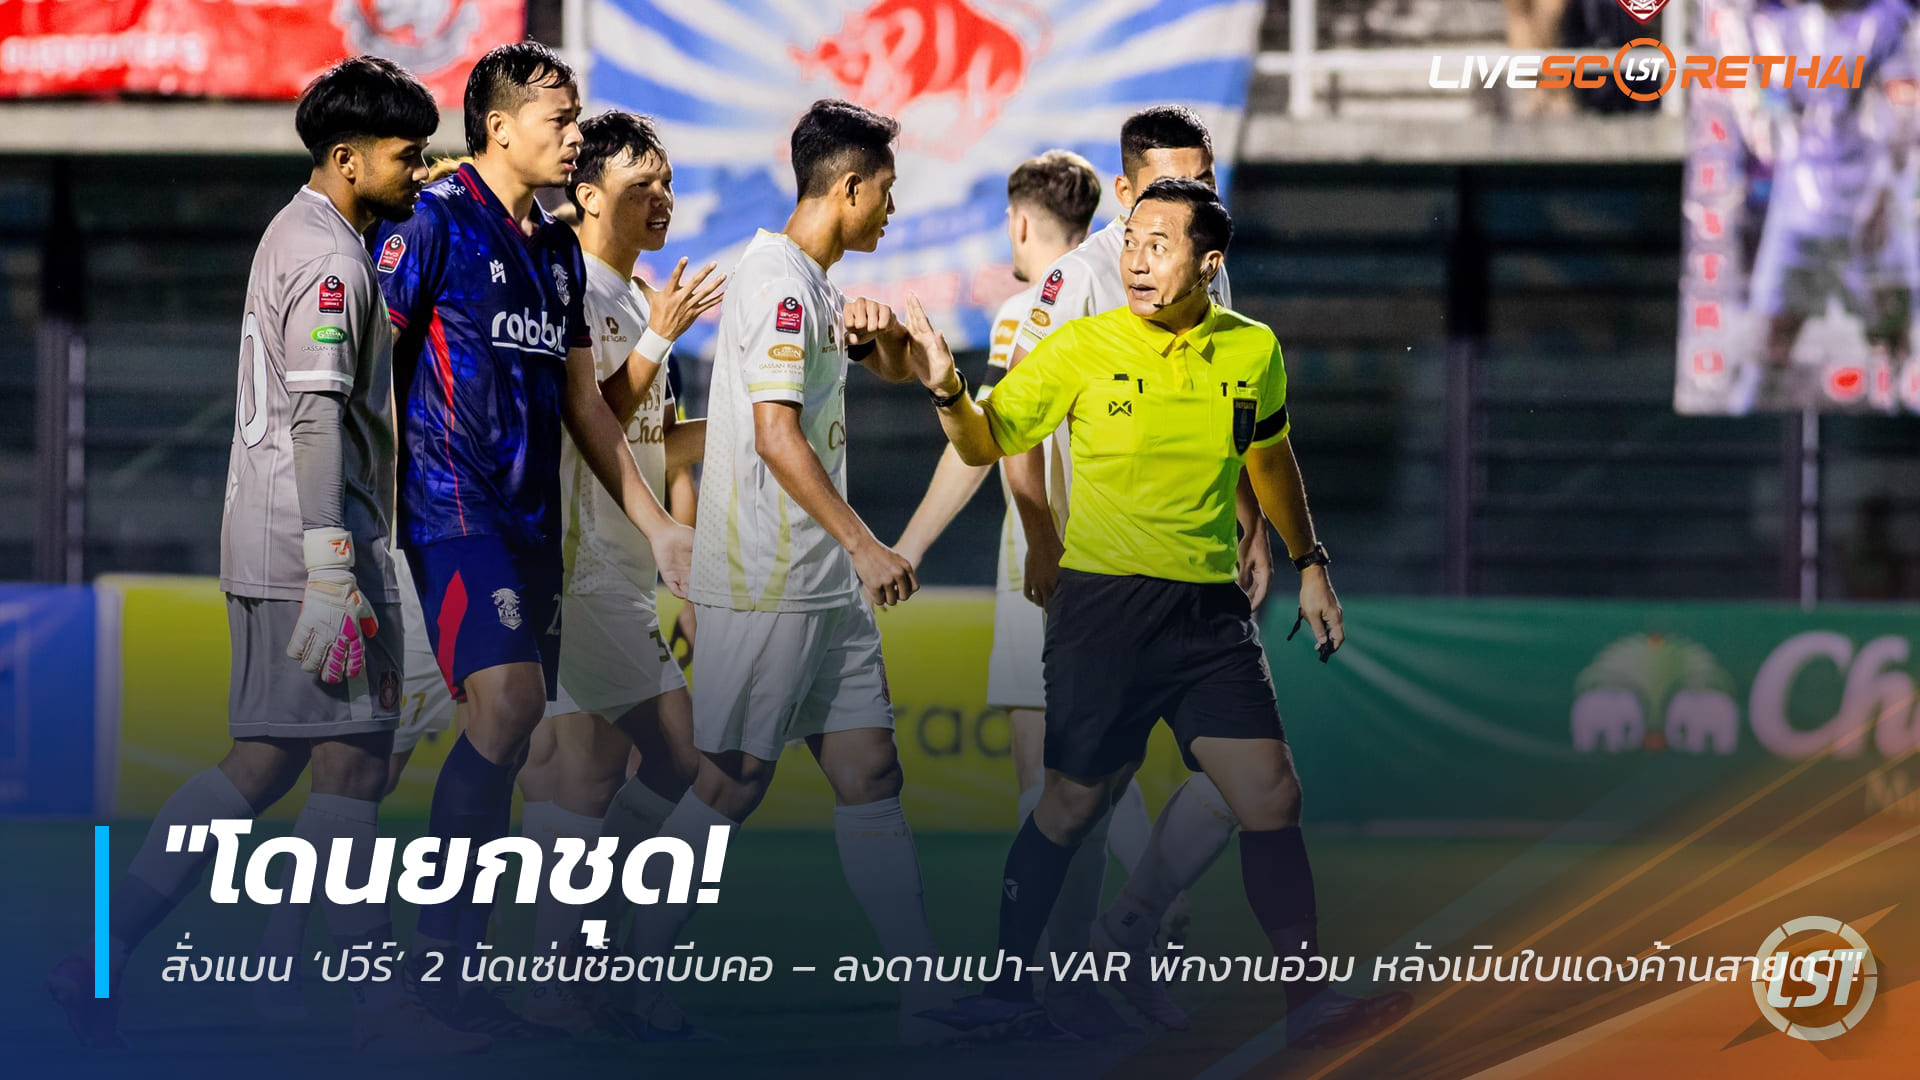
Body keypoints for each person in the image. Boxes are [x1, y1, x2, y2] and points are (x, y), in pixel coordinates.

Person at [904, 178, 1413, 1049]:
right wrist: (947, 387)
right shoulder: (1080, 344)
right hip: (1104, 610)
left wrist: (1310, 563)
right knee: (1071, 806)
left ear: (1209, 264)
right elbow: (987, 440)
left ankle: (1307, 998)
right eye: (1132, 241)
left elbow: (1269, 457)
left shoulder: (1253, 349)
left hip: (1210, 616)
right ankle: (1009, 986)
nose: (1136, 260)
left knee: (1271, 794)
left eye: (1159, 244)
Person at [48, 57, 483, 1054]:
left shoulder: (297, 231)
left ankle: (95, 957)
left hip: (270, 537)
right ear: (346, 159)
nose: (419, 171)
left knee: (259, 766)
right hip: (312, 548)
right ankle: (382, 1008)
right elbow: (317, 417)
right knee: (352, 770)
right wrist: (333, 567)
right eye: (406, 156)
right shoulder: (332, 259)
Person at [375, 42, 693, 1038]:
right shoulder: (431, 221)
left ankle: (459, 972)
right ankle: (429, 966)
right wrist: (345, 521)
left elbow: (586, 408)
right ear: (500, 127)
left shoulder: (556, 254)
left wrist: (659, 526)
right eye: (560, 120)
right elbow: (369, 370)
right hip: (448, 513)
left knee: (511, 740)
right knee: (506, 710)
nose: (574, 134)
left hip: (533, 530)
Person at [612, 98, 947, 1043]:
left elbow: (878, 374)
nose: (893, 209)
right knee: (729, 784)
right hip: (773, 577)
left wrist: (882, 339)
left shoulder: (814, 283)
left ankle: (925, 994)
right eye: (887, 191)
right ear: (850, 187)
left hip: (820, 584)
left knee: (870, 771)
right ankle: (629, 974)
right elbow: (773, 435)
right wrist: (865, 544)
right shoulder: (778, 282)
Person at [1000, 104, 1273, 1032]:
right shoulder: (1078, 280)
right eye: (1170, 181)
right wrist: (1042, 538)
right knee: (1083, 793)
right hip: (1096, 577)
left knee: (1239, 782)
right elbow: (1013, 422)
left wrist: (1251, 520)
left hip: (1191, 576)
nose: (1192, 193)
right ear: (1123, 192)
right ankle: (1063, 980)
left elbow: (1226, 409)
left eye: (1204, 177)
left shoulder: (1206, 259)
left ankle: (1127, 928)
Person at [893, 150, 1146, 1037]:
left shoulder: (1027, 312)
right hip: (1129, 564)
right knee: (1102, 770)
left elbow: (994, 442)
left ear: (1020, 222)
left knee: (1048, 783)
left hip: (1046, 574)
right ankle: (1133, 921)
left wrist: (915, 543)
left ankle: (1057, 973)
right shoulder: (1127, 301)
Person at [510, 109, 723, 1036]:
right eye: (642, 184)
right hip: (578, 563)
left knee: (600, 774)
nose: (662, 197)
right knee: (666, 759)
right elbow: (582, 416)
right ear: (589, 195)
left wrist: (758, 423)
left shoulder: (636, 294)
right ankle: (563, 973)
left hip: (623, 567)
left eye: (667, 181)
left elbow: (651, 436)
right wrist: (657, 340)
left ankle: (569, 967)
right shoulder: (569, 284)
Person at [1734, 0, 1918, 412]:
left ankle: (1900, 429)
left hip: (1870, 207)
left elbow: (1905, 118)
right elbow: (1766, 106)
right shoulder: (1782, 27)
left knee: (1894, 343)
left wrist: (1885, 190)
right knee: (1769, 341)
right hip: (1800, 210)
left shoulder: (1888, 24)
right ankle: (1743, 433)